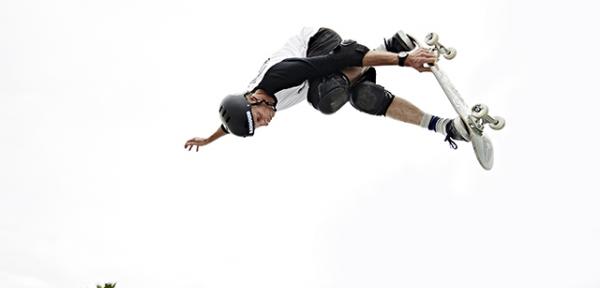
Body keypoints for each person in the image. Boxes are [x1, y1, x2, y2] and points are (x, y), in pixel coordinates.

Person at [184, 27, 470, 151]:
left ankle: (391, 45)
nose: (266, 122)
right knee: (364, 98)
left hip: (318, 43)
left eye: (259, 119)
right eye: (259, 125)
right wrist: (209, 140)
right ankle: (444, 126)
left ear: (254, 99)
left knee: (327, 99)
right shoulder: (251, 103)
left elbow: (344, 58)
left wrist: (404, 60)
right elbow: (231, 123)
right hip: (319, 73)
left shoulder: (279, 76)